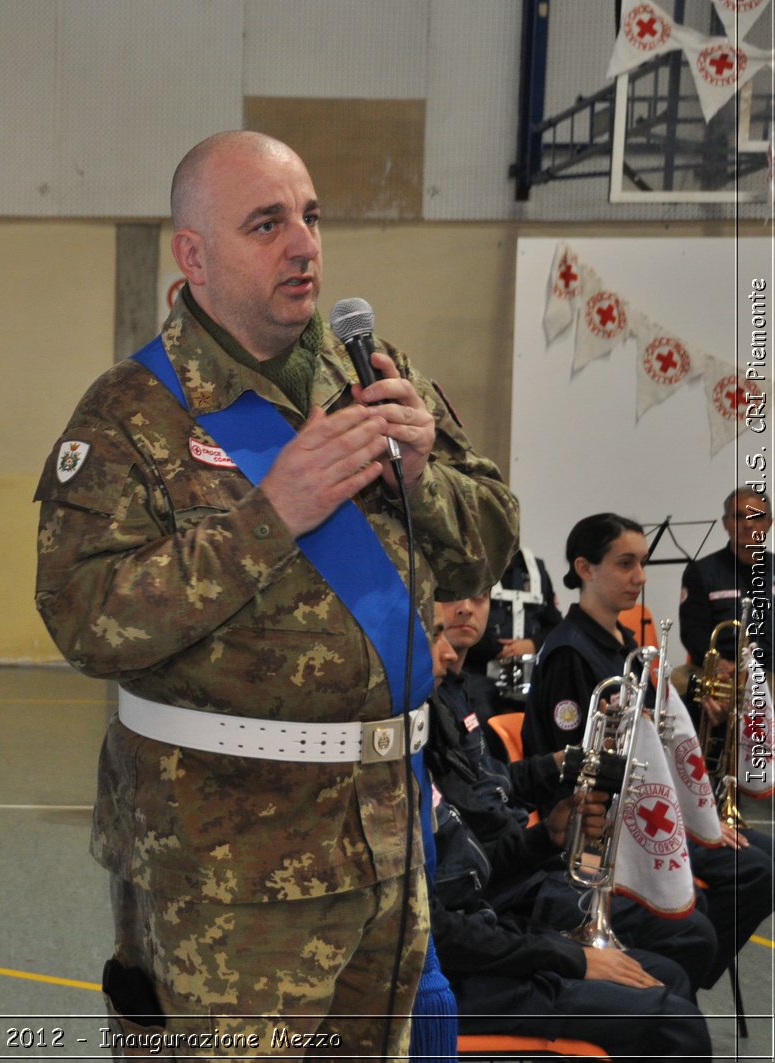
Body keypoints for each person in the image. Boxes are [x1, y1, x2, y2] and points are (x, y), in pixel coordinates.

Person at [33, 130, 519, 1057]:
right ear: (193, 254)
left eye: (311, 217)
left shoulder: (375, 374)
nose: (304, 244)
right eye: (267, 223)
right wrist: (269, 516)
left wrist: (425, 483)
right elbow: (86, 618)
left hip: (389, 835)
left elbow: (492, 540)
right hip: (227, 868)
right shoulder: (130, 413)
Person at [429, 625, 711, 1063]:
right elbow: (439, 930)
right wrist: (567, 957)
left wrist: (546, 837)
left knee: (671, 968)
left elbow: (471, 861)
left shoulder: (442, 710)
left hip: (488, 925)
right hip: (457, 977)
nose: (447, 653)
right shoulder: (393, 762)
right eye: (431, 636)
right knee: (674, 1016)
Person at [523, 512, 772, 992]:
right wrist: (682, 821)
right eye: (625, 563)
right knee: (753, 871)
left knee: (764, 860)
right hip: (607, 827)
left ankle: (682, 977)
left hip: (649, 806)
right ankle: (679, 981)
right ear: (585, 567)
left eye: (643, 564)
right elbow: (572, 762)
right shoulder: (570, 651)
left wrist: (696, 813)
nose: (639, 577)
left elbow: (656, 736)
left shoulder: (626, 642)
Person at [679, 487, 772, 732]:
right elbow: (692, 632)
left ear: (769, 523)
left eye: (757, 517)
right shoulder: (700, 572)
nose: (747, 525)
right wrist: (722, 666)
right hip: (724, 680)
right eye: (739, 516)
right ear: (725, 522)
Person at [462, 546, 563, 712]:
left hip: (529, 679)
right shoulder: (468, 566)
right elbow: (457, 625)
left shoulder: (536, 569)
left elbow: (555, 626)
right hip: (479, 675)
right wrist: (503, 649)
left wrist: (532, 644)